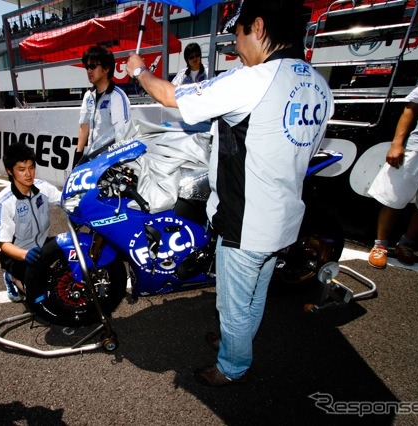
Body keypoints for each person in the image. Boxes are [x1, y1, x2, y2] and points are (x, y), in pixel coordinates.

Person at [127, 0, 333, 386]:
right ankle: (236, 343)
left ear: (258, 27)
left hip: (245, 218)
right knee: (255, 294)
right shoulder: (319, 84)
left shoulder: (254, 79)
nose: (235, 46)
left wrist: (140, 70)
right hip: (284, 214)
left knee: (233, 303)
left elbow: (172, 97)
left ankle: (232, 366)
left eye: (236, 35)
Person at [367, 60, 418, 268]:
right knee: (394, 196)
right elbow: (412, 105)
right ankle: (380, 244)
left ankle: (407, 243)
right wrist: (397, 143)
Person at [0, 143, 61, 302]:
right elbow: (4, 245)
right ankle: (12, 277)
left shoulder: (43, 187)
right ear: (10, 171)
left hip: (41, 245)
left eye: (31, 167)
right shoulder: (3, 203)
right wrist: (25, 254)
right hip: (17, 255)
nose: (28, 174)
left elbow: (66, 200)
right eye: (22, 169)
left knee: (71, 248)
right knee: (39, 297)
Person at [74, 46, 131, 165]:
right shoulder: (88, 96)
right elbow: (84, 127)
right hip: (91, 159)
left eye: (93, 66)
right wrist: (78, 156)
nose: (89, 71)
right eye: (87, 67)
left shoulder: (117, 96)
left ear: (106, 69)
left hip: (110, 161)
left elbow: (122, 134)